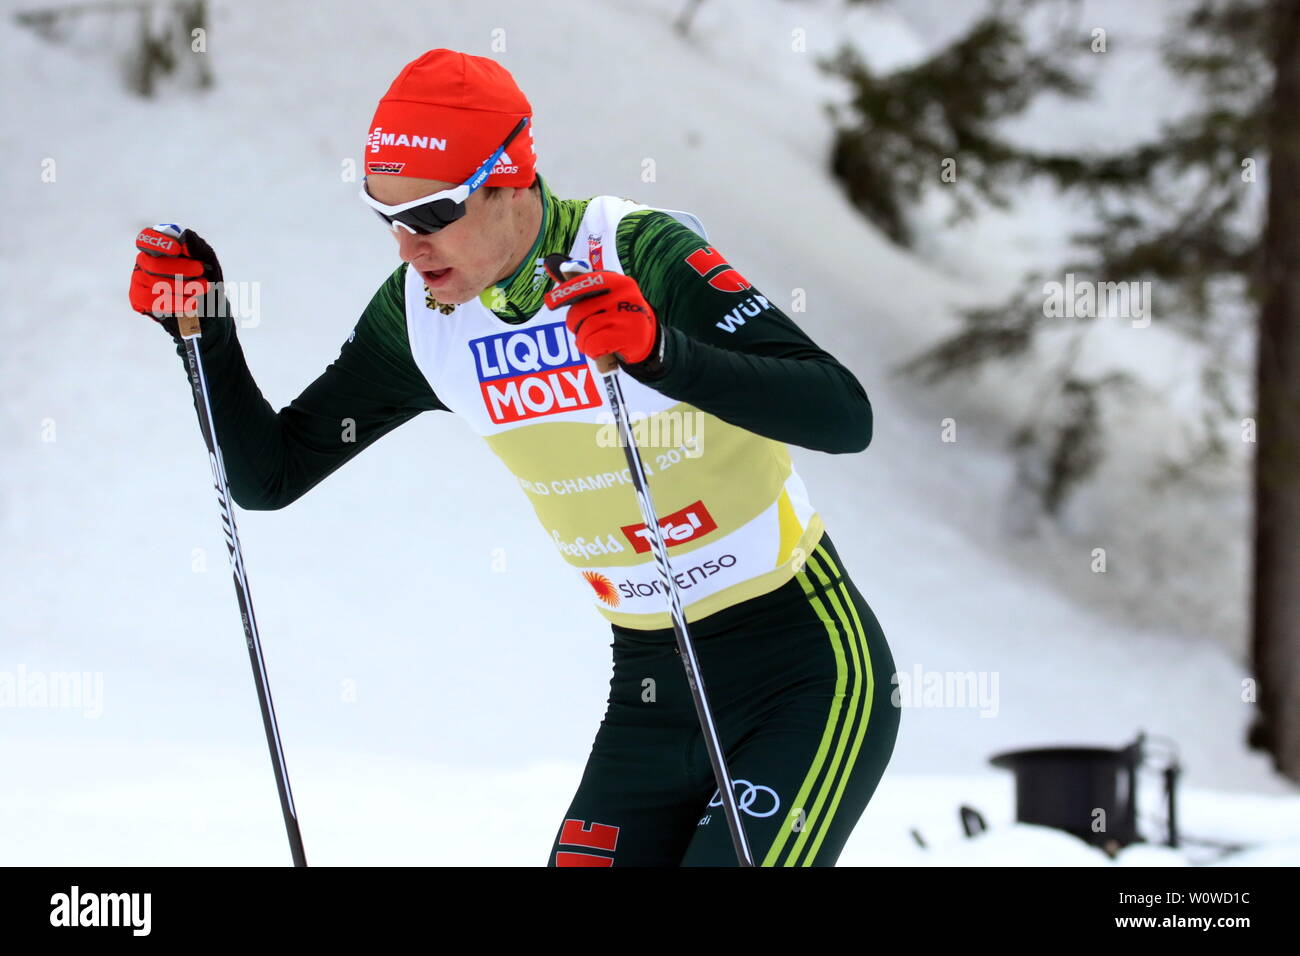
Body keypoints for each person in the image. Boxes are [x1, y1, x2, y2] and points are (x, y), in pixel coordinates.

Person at [129, 48, 899, 867]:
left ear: (510, 179)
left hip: (803, 667)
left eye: (430, 216)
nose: (408, 248)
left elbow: (842, 413)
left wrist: (660, 351)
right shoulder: (423, 321)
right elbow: (270, 476)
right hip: (649, 688)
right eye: (386, 217)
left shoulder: (637, 253)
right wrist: (204, 335)